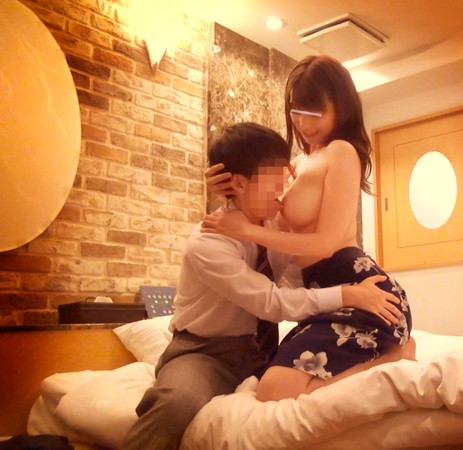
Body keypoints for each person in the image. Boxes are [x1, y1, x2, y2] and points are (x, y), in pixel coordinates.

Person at [121, 122, 402, 450]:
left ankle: (394, 358)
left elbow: (301, 263)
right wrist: (347, 294)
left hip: (261, 352)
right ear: (240, 183)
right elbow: (271, 303)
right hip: (206, 352)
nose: (284, 187)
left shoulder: (273, 225)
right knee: (176, 404)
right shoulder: (207, 243)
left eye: (285, 175)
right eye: (275, 178)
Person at [202, 55, 414, 402]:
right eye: (296, 111)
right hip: (320, 297)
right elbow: (261, 212)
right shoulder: (296, 163)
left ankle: (396, 356)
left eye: (315, 113)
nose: (303, 123)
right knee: (272, 383)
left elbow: (325, 243)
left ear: (341, 107)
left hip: (360, 289)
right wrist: (227, 189)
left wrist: (247, 231)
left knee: (274, 389)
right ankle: (390, 356)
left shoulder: (341, 152)